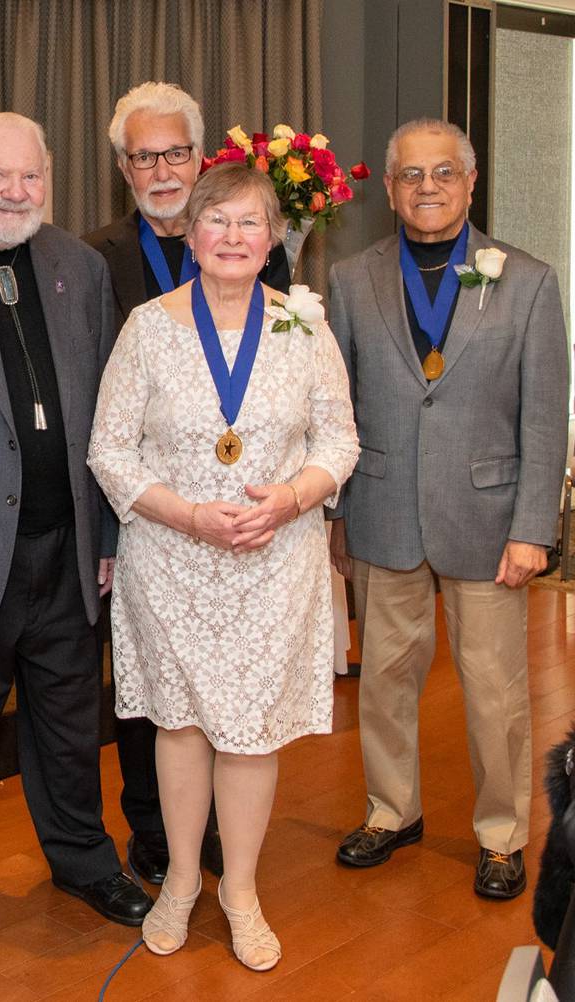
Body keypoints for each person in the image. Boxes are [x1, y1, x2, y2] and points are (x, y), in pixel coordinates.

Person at [88, 163, 358, 971]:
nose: (234, 238)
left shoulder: (305, 327)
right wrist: (190, 515)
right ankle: (178, 881)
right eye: (218, 222)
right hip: (173, 560)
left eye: (250, 223)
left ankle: (238, 889)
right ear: (191, 234)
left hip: (274, 562)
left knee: (248, 731)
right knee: (179, 723)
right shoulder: (147, 327)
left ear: (272, 236)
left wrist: (288, 498)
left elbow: (340, 440)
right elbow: (109, 449)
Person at [0, 112, 152, 950]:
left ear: (50, 180)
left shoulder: (78, 267)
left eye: (31, 177)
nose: (15, 192)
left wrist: (112, 533)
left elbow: (116, 419)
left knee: (71, 724)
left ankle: (83, 859)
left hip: (68, 543)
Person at [329, 118, 569, 899]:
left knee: (496, 691)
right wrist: (334, 516)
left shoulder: (527, 280)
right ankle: (392, 810)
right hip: (384, 512)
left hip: (491, 523)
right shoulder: (350, 278)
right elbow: (336, 409)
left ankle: (501, 835)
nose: (426, 187)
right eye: (410, 174)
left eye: (443, 173)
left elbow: (544, 417)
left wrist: (536, 528)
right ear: (389, 187)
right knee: (386, 681)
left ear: (470, 182)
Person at [83, 82, 291, 886]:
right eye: (144, 156)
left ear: (201, 161)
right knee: (150, 695)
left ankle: (217, 840)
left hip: (246, 531)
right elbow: (94, 418)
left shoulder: (263, 260)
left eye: (175, 153)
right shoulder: (87, 258)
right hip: (144, 522)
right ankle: (155, 832)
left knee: (232, 693)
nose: (162, 169)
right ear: (123, 169)